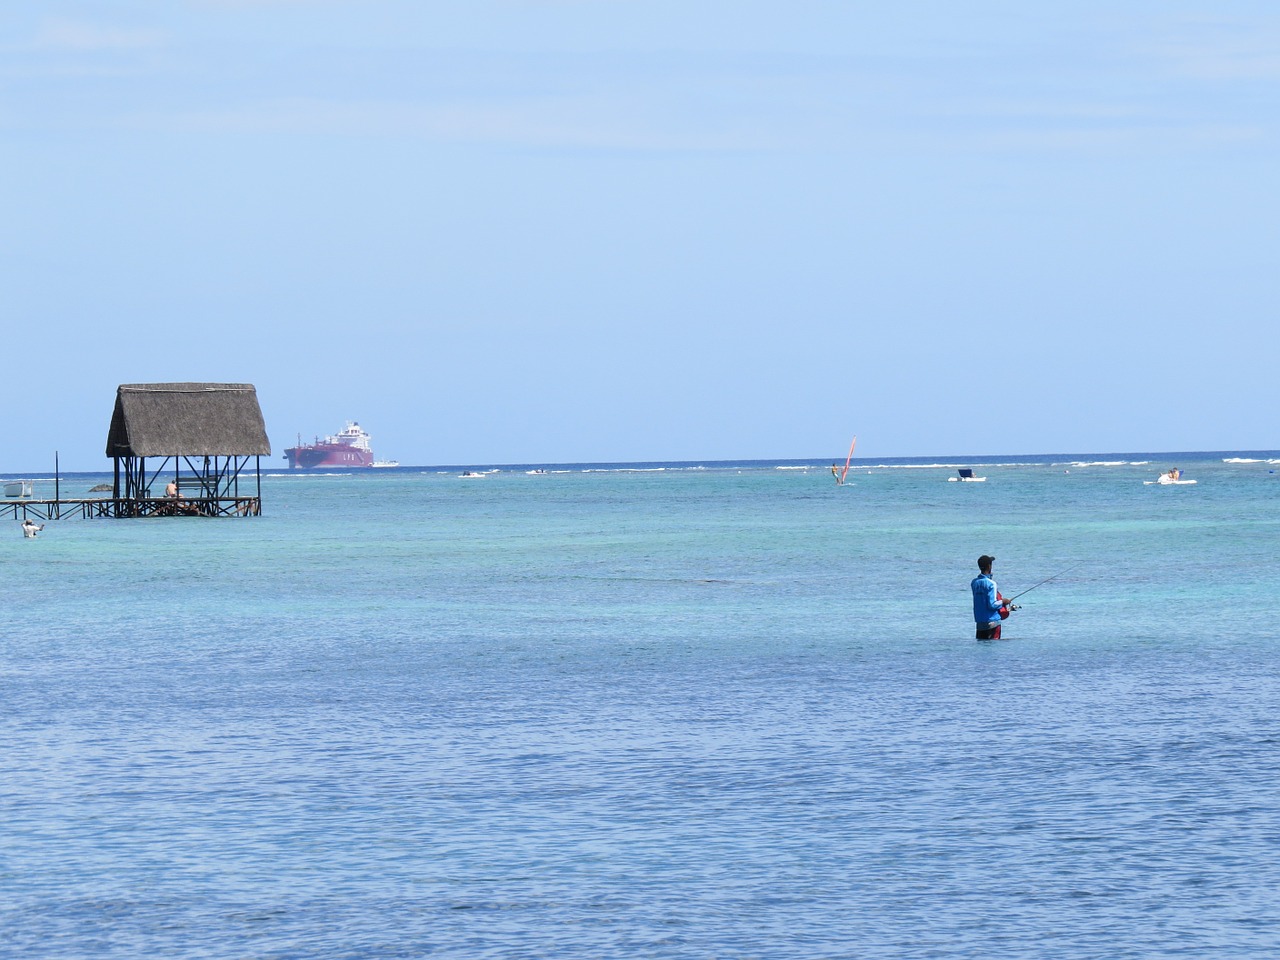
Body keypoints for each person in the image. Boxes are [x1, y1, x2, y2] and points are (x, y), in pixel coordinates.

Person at [971, 554, 1012, 640]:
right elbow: (992, 605)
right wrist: (1003, 601)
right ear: (989, 566)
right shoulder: (992, 584)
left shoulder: (974, 583)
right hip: (993, 623)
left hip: (980, 623)